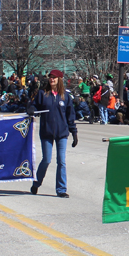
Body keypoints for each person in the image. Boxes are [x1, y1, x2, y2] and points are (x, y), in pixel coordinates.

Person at [28, 69, 78, 198]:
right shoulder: (42, 93)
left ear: (59, 79)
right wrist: (32, 109)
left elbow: (70, 116)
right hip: (46, 132)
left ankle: (61, 189)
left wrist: (74, 132)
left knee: (61, 161)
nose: (52, 79)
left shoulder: (65, 96)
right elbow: (34, 105)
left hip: (62, 133)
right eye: (50, 77)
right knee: (46, 159)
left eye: (54, 78)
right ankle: (36, 183)